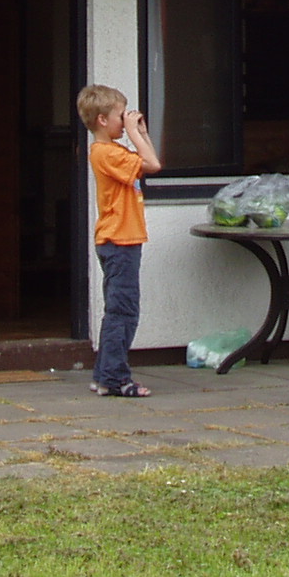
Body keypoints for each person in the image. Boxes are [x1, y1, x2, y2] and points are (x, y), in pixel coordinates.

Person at [81, 83, 161, 398]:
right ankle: (115, 378)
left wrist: (140, 133)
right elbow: (153, 165)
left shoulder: (113, 152)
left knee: (118, 311)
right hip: (119, 241)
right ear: (102, 120)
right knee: (124, 312)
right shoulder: (106, 153)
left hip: (120, 240)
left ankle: (103, 375)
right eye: (120, 116)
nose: (124, 120)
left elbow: (146, 162)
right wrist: (133, 133)